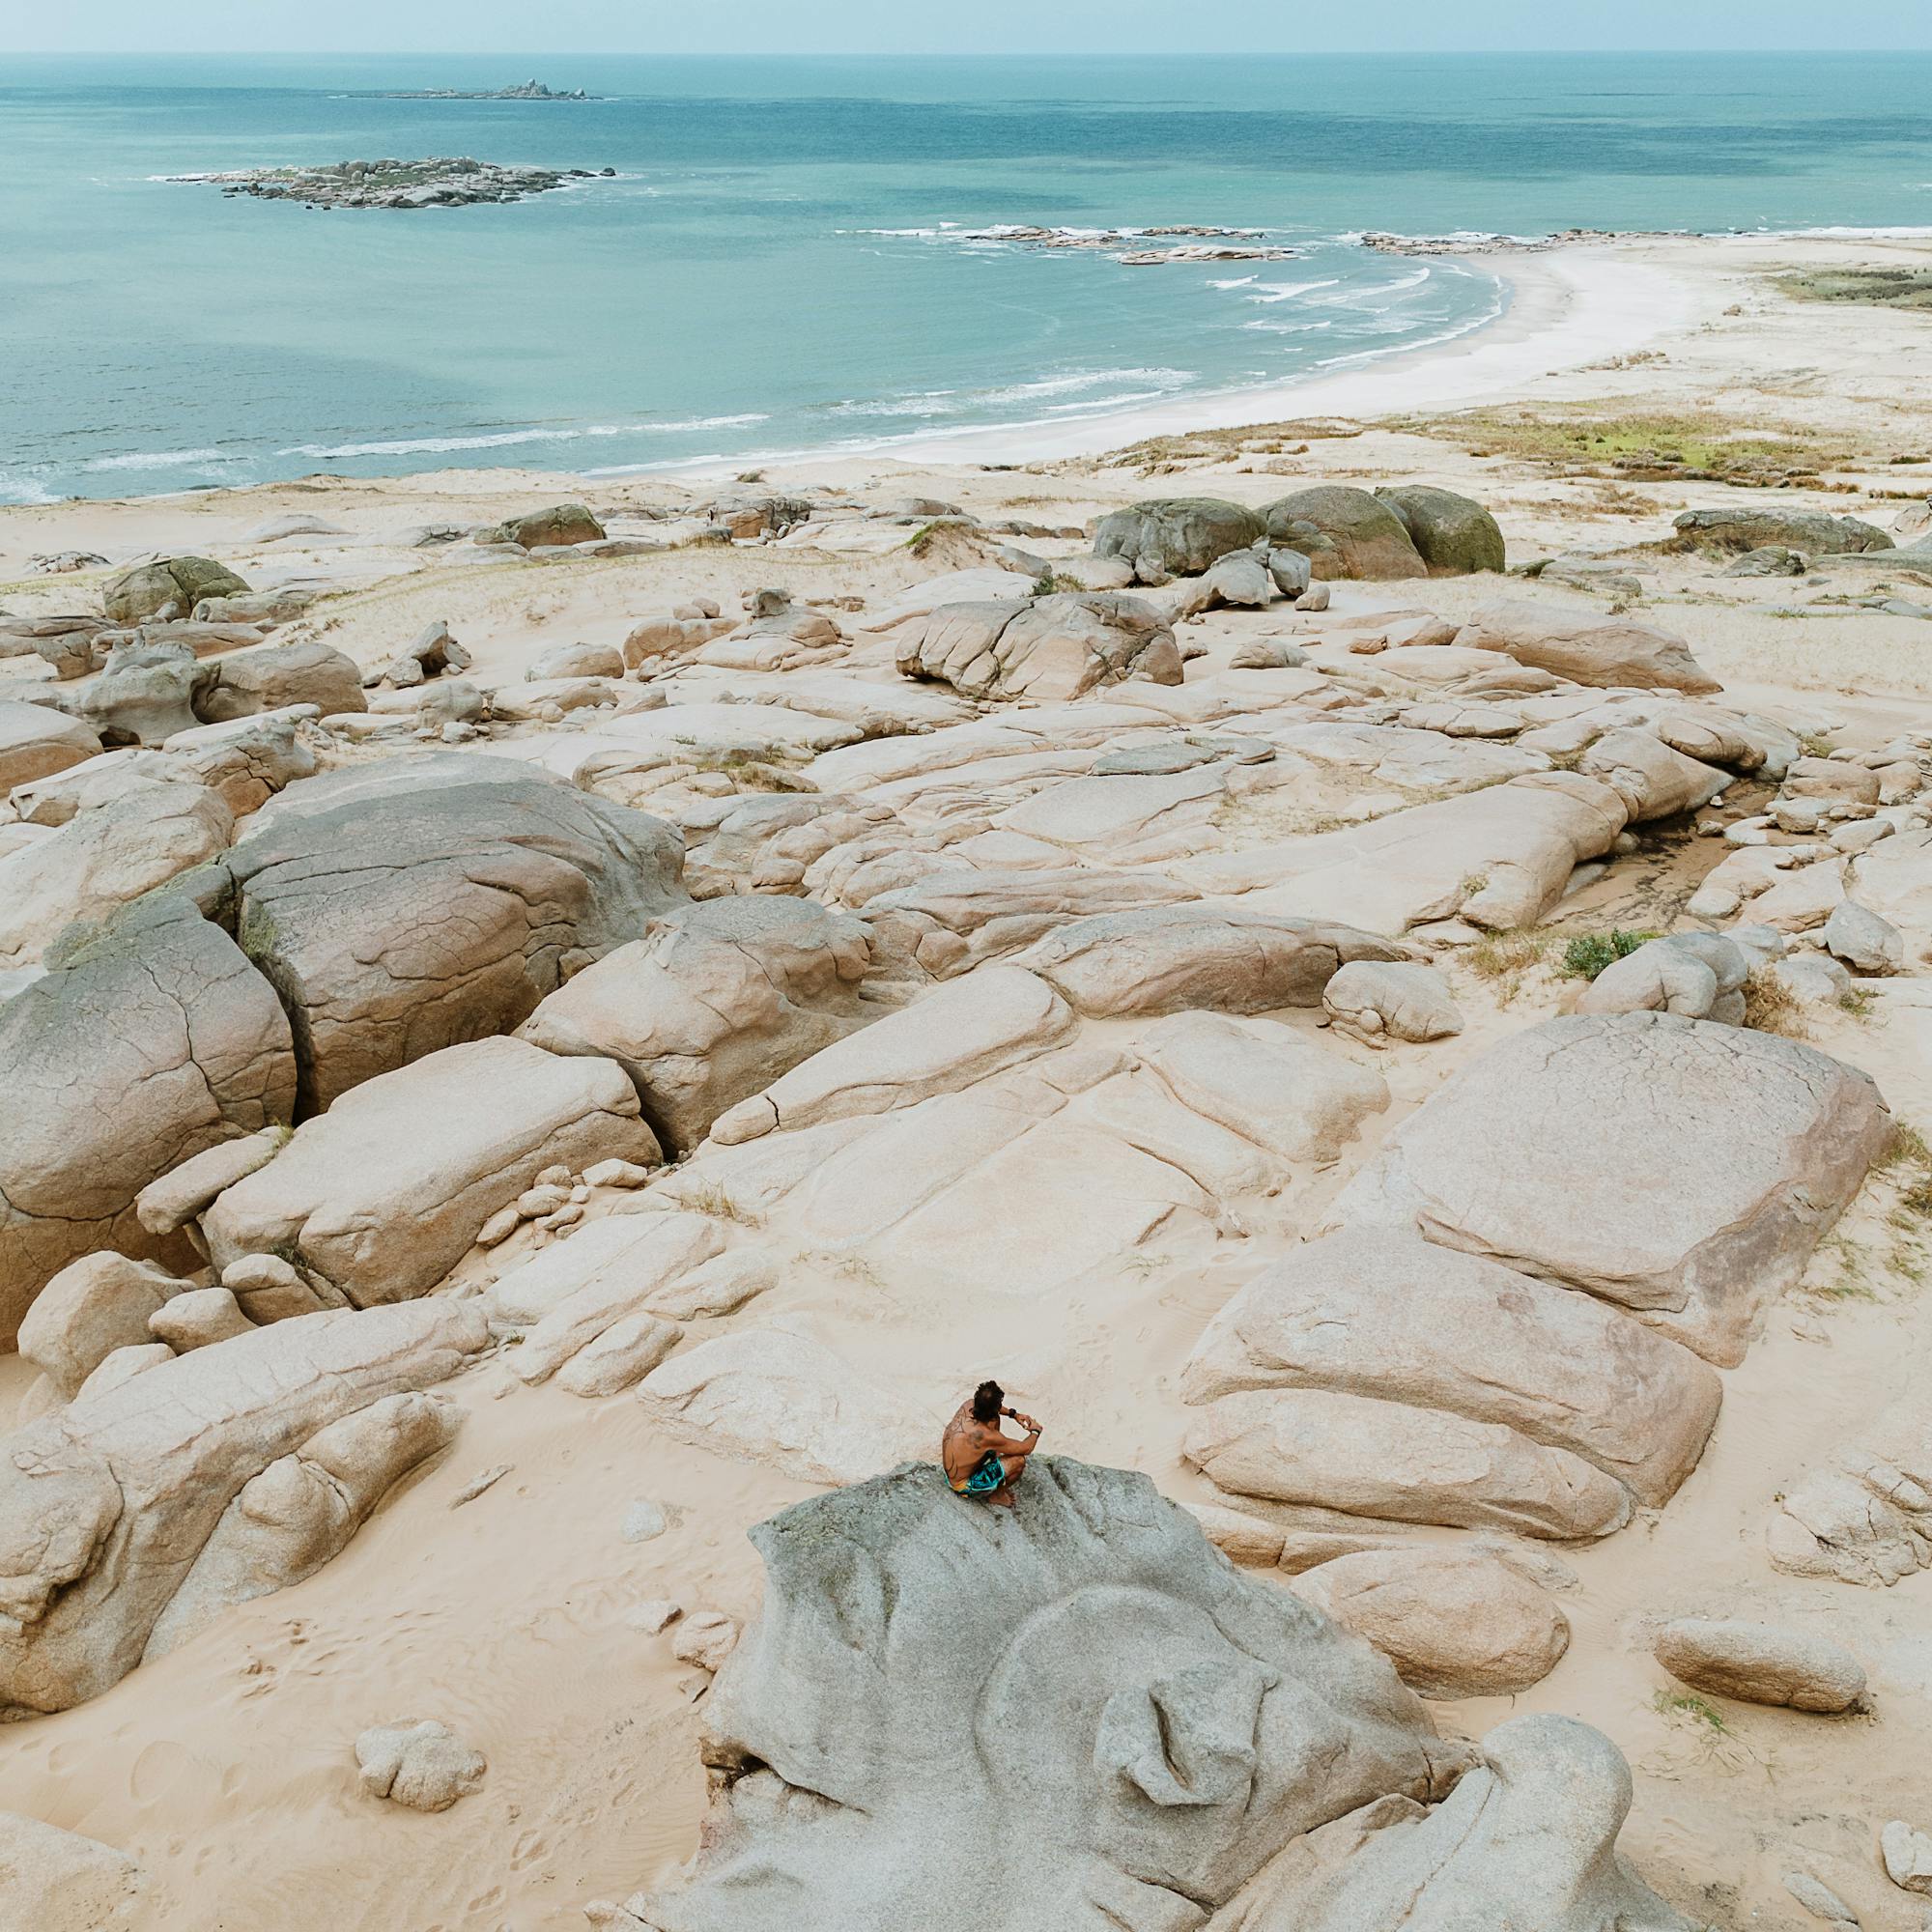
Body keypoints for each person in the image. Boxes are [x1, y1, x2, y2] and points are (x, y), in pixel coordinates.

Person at [942, 1380, 1040, 1509]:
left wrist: (1014, 1414)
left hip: (951, 1471)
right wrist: (1036, 1431)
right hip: (963, 1485)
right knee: (1018, 1461)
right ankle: (997, 1495)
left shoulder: (968, 1404)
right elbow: (1026, 1448)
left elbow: (993, 1409)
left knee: (994, 1419)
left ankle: (993, 1458)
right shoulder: (987, 1436)